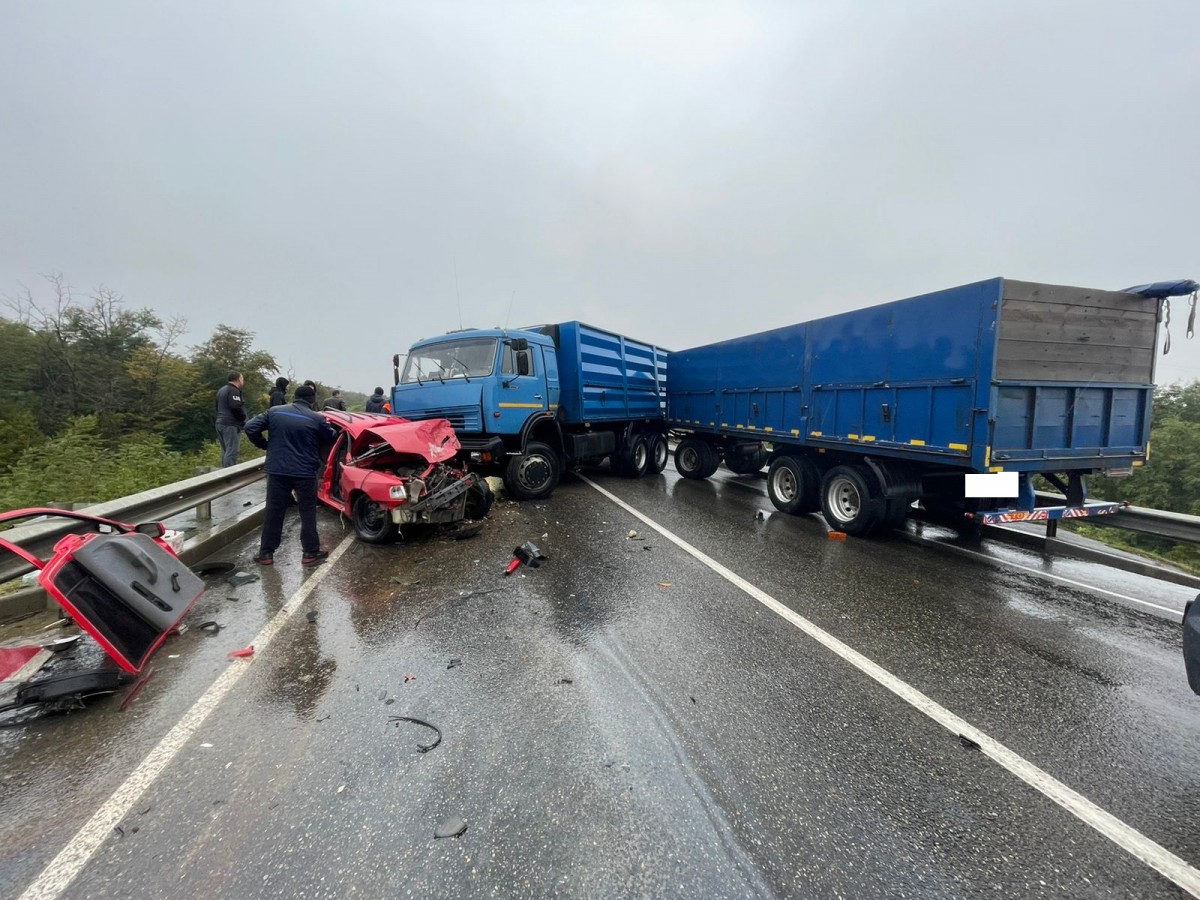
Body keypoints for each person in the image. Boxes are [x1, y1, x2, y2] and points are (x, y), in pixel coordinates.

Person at [245, 382, 337, 567]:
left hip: (278, 471)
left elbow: (250, 427)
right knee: (307, 512)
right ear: (312, 401)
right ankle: (310, 554)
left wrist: (265, 445)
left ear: (295, 397)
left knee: (274, 511)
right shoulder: (316, 418)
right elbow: (332, 437)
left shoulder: (275, 412)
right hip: (304, 472)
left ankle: (266, 554)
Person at [215, 372, 246, 467]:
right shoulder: (233, 391)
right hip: (231, 424)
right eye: (242, 379)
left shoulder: (221, 390)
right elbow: (235, 407)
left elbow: (217, 406)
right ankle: (230, 475)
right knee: (232, 451)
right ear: (239, 380)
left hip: (220, 422)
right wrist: (243, 418)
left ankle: (224, 473)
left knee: (225, 450)